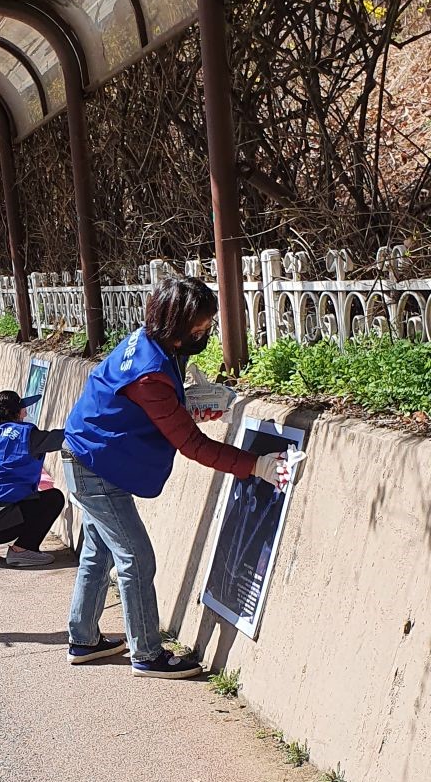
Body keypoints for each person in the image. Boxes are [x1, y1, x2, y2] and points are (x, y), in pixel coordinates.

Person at [62, 277, 289, 673]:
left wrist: (189, 405)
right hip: (94, 467)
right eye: (198, 328)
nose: (204, 334)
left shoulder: (148, 342)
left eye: (207, 327)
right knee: (136, 559)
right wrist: (256, 465)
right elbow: (192, 446)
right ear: (174, 323)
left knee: (99, 553)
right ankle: (148, 654)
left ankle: (83, 641)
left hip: (94, 457)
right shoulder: (150, 374)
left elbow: (152, 413)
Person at [0, 389, 66, 569]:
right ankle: (22, 551)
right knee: (53, 498)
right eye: (23, 408)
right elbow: (63, 437)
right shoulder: (27, 435)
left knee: (1, 492)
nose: (26, 412)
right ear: (15, 412)